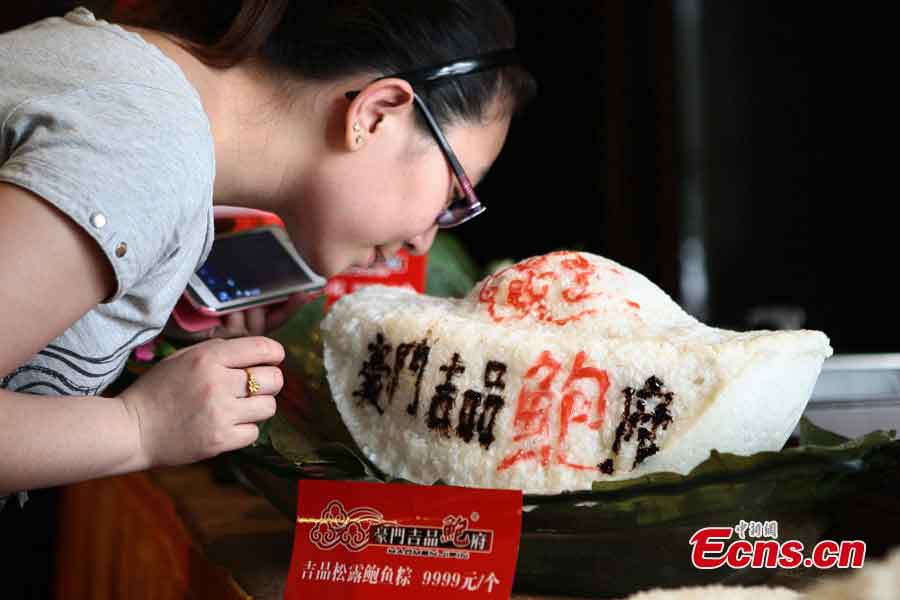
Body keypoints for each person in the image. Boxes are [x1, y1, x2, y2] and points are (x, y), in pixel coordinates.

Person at [0, 0, 535, 509]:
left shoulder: (143, 102)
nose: (424, 238)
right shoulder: (148, 151)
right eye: (456, 192)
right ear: (376, 114)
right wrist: (140, 428)